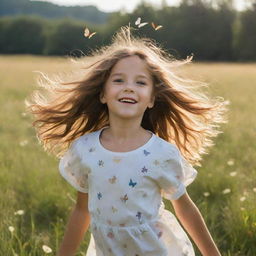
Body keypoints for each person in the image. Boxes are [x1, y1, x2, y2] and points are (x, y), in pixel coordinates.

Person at [26, 26, 227, 256]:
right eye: (119, 80)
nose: (129, 87)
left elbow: (184, 208)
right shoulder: (85, 150)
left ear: (151, 99)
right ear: (103, 94)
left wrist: (213, 254)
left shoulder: (162, 154)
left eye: (140, 83)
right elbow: (82, 211)